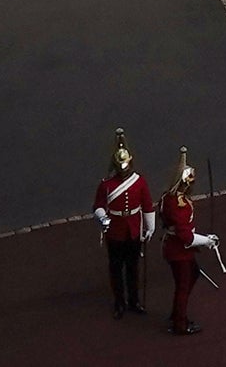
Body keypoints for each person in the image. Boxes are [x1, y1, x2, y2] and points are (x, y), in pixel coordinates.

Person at [93, 130, 151, 316]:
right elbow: (99, 205)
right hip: (115, 230)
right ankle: (119, 302)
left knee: (132, 268)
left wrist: (150, 227)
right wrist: (102, 217)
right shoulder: (106, 184)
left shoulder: (139, 182)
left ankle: (133, 300)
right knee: (116, 268)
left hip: (133, 229)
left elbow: (147, 205)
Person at [158, 153, 204, 336]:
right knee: (183, 287)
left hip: (174, 247)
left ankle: (177, 313)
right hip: (180, 251)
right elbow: (186, 236)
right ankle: (180, 324)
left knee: (193, 274)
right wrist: (207, 240)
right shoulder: (180, 204)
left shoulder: (167, 198)